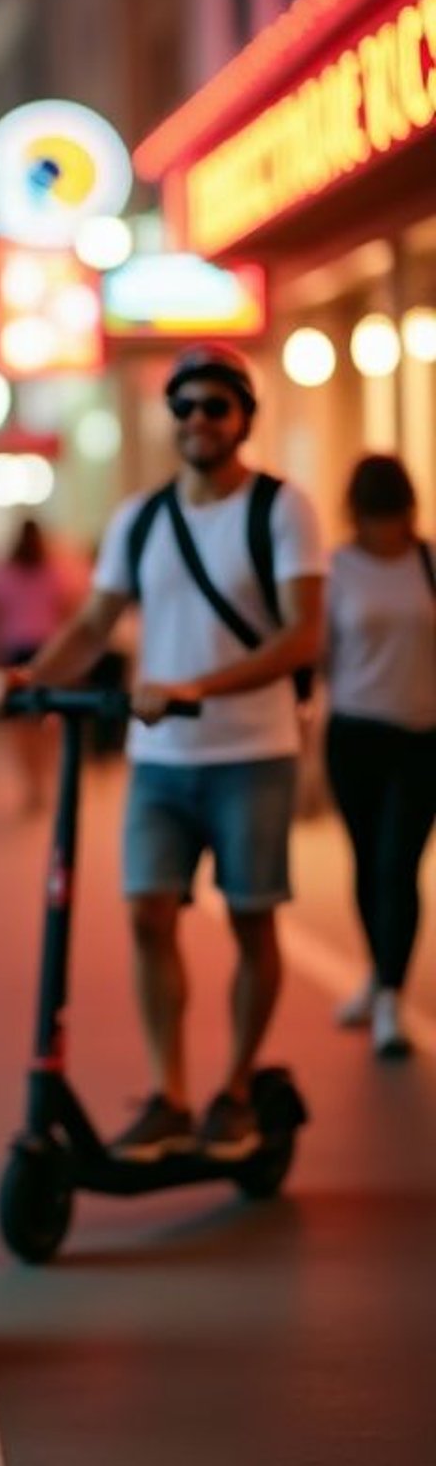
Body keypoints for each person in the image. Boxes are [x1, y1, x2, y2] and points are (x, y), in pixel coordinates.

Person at [0, 344, 325, 1160]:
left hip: (253, 749)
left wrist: (206, 685)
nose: (199, 421)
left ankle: (234, 1088)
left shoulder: (281, 509)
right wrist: (24, 675)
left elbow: (303, 634)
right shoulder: (144, 517)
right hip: (162, 757)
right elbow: (93, 624)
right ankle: (171, 1092)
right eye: (186, 408)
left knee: (250, 917)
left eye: (216, 407)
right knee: (147, 916)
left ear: (244, 418)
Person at [321, 453, 435, 1059]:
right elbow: (318, 657)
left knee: (399, 864)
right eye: (374, 517)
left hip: (422, 737)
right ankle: (375, 972)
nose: (385, 529)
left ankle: (391, 998)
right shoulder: (337, 569)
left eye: (392, 515)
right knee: (367, 863)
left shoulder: (428, 562)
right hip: (356, 734)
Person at [0, 518, 78, 814]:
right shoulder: (55, 573)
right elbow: (67, 615)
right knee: (49, 722)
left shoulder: (3, 575)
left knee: (21, 725)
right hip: (48, 652)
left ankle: (31, 783)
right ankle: (44, 781)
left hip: (14, 650)